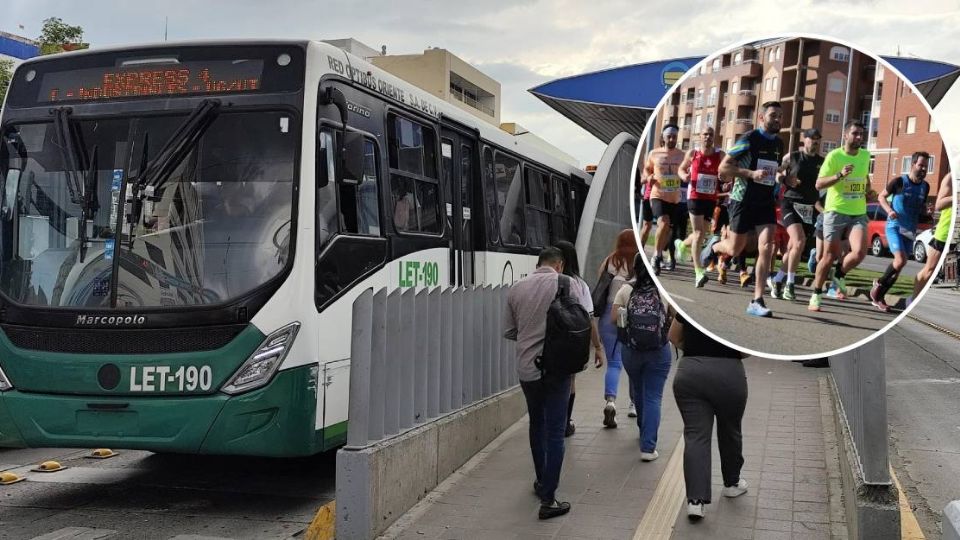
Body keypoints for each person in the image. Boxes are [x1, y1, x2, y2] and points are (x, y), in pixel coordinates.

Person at [504, 247, 574, 519]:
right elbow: (577, 322)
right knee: (556, 431)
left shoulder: (516, 288)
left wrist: (530, 336)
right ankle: (549, 498)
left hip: (528, 369)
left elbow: (510, 330)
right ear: (559, 265)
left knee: (537, 423)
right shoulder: (565, 284)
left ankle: (541, 480)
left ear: (538, 264)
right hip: (558, 369)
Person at [700, 101, 785, 317]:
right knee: (735, 249)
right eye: (773, 115)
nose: (777, 120)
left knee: (767, 246)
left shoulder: (779, 144)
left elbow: (773, 171)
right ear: (761, 118)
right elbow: (724, 167)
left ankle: (757, 300)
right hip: (742, 200)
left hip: (765, 202)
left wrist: (781, 176)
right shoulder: (749, 139)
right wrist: (750, 174)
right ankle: (714, 247)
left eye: (780, 116)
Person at [669, 312, 749, 520]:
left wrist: (697, 352)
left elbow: (673, 337)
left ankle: (695, 501)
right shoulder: (738, 313)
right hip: (729, 374)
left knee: (696, 435)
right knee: (730, 429)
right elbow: (746, 351)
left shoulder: (685, 309)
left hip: (691, 372)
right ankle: (732, 483)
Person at [611, 253, 672, 461]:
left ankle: (642, 429)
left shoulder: (626, 289)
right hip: (659, 351)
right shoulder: (662, 290)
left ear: (635, 268)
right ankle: (648, 447)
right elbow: (672, 317)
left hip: (631, 350)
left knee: (638, 389)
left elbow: (613, 318)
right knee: (654, 396)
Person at [808, 120, 872, 312]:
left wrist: (868, 190)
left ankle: (840, 273)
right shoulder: (834, 157)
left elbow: (864, 178)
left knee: (860, 252)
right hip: (836, 211)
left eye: (861, 134)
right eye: (855, 134)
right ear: (845, 135)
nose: (859, 137)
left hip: (858, 212)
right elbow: (819, 184)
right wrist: (839, 176)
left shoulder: (865, 155)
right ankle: (816, 294)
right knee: (828, 256)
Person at [555, 240, 605, 437]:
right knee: (570, 381)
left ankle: (553, 420)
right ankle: (565, 422)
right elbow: (589, 318)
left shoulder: (545, 281)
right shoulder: (580, 284)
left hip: (549, 340)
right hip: (573, 340)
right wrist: (597, 347)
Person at [871, 152, 932, 312]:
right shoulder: (899, 182)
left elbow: (921, 207)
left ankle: (879, 297)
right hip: (895, 226)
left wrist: (926, 212)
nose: (924, 169)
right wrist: (889, 211)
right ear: (913, 165)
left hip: (910, 230)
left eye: (926, 166)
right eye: (921, 165)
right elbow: (881, 197)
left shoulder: (925, 187)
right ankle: (878, 285)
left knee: (898, 269)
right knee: (900, 261)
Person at [770, 128, 824, 301]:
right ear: (805, 140)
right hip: (790, 203)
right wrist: (785, 180)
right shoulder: (792, 157)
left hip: (808, 208)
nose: (814, 142)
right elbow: (777, 172)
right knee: (799, 240)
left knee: (795, 247)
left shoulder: (822, 162)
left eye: (817, 140)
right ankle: (790, 285)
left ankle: (778, 279)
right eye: (811, 139)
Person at [597, 230, 639, 428]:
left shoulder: (609, 261)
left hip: (608, 314)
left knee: (614, 363)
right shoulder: (639, 263)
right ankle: (633, 404)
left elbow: (599, 283)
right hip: (631, 316)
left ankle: (610, 402)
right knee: (633, 362)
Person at [678, 126, 725, 287]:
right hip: (695, 196)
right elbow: (681, 169)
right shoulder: (693, 153)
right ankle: (698, 272)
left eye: (711, 134)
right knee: (698, 233)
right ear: (700, 136)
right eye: (705, 134)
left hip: (710, 198)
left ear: (714, 137)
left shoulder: (720, 154)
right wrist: (684, 175)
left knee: (703, 235)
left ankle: (683, 244)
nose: (708, 137)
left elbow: (727, 171)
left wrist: (725, 177)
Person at [643, 124, 685, 275]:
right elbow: (647, 169)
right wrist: (649, 177)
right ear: (664, 137)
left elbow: (690, 169)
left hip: (674, 198)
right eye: (669, 136)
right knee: (663, 222)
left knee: (667, 230)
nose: (672, 139)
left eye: (674, 136)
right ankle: (656, 256)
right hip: (657, 195)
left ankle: (658, 254)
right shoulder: (654, 153)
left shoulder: (682, 155)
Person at [912, 172, 953, 302]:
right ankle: (913, 300)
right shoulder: (951, 177)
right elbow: (939, 204)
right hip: (945, 233)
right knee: (929, 270)